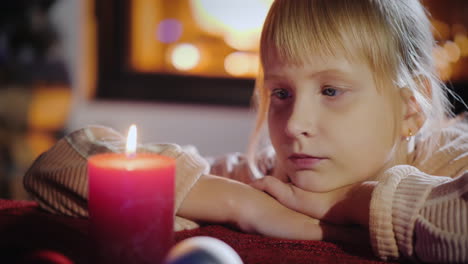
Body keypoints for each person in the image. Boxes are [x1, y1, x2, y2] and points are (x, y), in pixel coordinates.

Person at [23, 0, 467, 263]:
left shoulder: (452, 155)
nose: (294, 125)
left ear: (412, 105)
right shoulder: (265, 178)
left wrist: (349, 203)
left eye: (331, 90)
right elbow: (60, 165)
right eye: (280, 93)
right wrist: (245, 205)